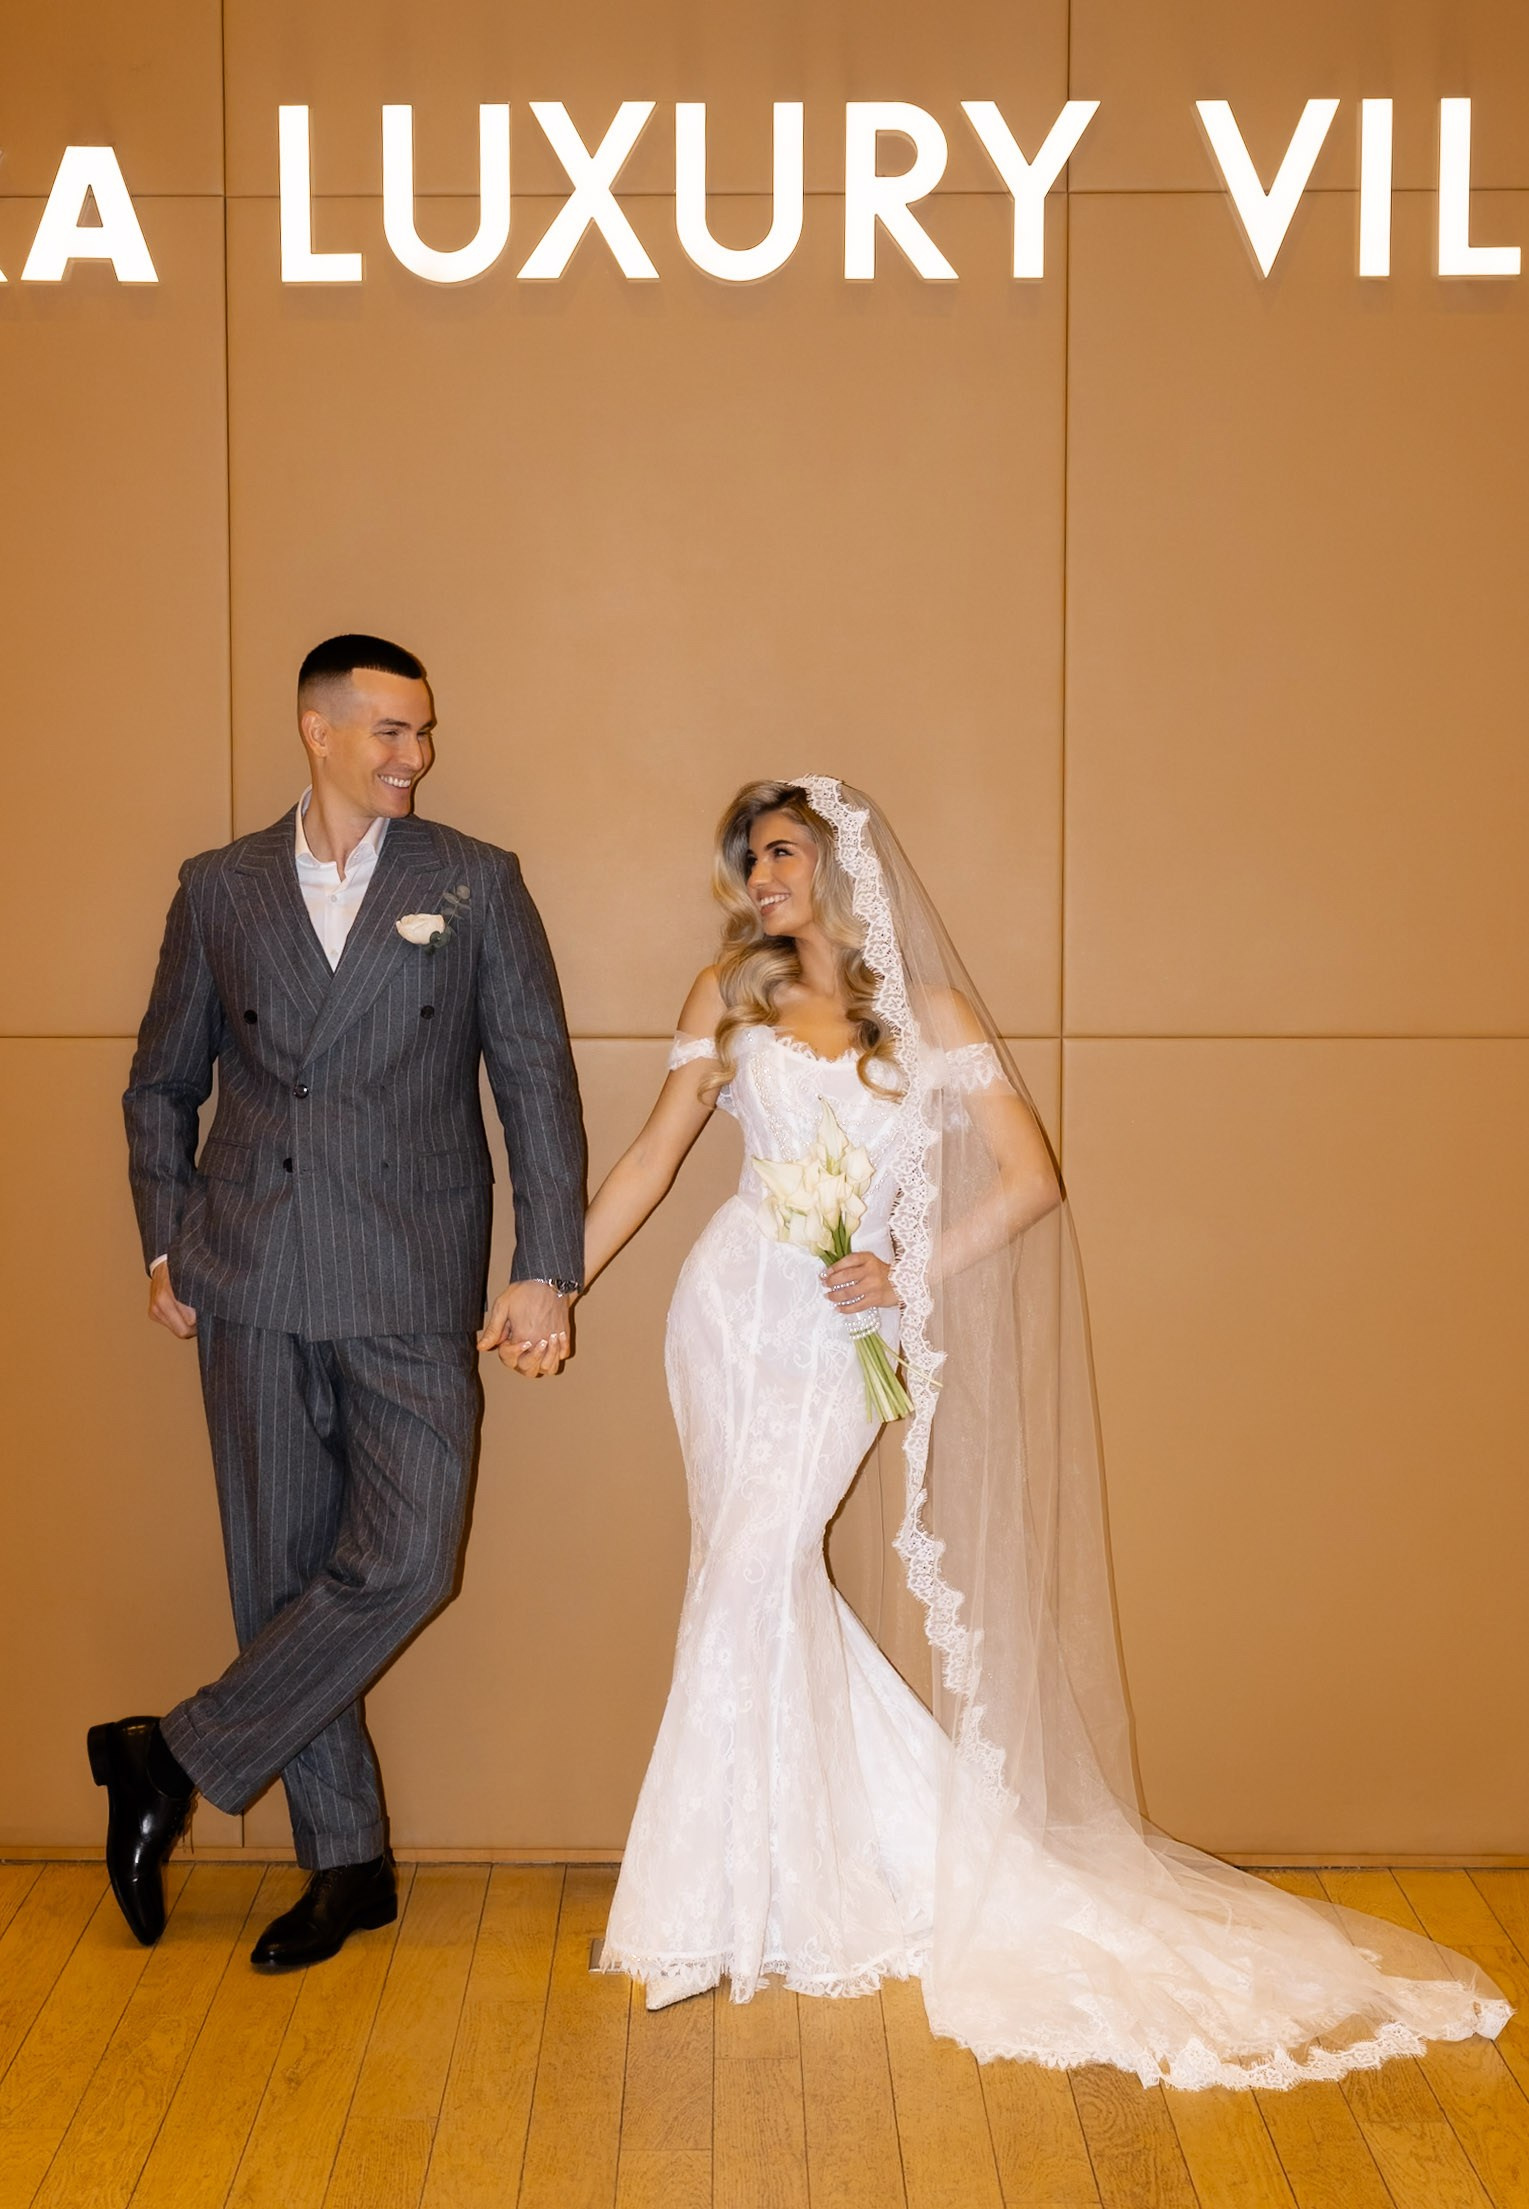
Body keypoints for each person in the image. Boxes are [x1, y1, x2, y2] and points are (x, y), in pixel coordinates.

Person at [585, 774, 1508, 2088]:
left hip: (840, 1334)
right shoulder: (722, 994)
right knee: (743, 1577)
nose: (760, 877)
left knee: (753, 1573)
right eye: (749, 859)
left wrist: (906, 1274)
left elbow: (1029, 1180)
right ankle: (753, 1894)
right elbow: (648, 1158)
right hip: (728, 1312)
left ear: (842, 863)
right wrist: (552, 1280)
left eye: (781, 852)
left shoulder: (933, 1016)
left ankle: (720, 1908)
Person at [95, 633, 584, 1971]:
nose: (415, 755)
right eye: (390, 731)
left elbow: (536, 1082)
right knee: (279, 1573)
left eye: (421, 732)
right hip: (248, 1270)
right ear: (318, 731)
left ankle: (167, 1754)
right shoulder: (220, 887)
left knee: (409, 1558)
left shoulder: (473, 880)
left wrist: (544, 1263)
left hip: (409, 1271)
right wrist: (164, 1246)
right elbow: (159, 1084)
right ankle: (346, 1862)